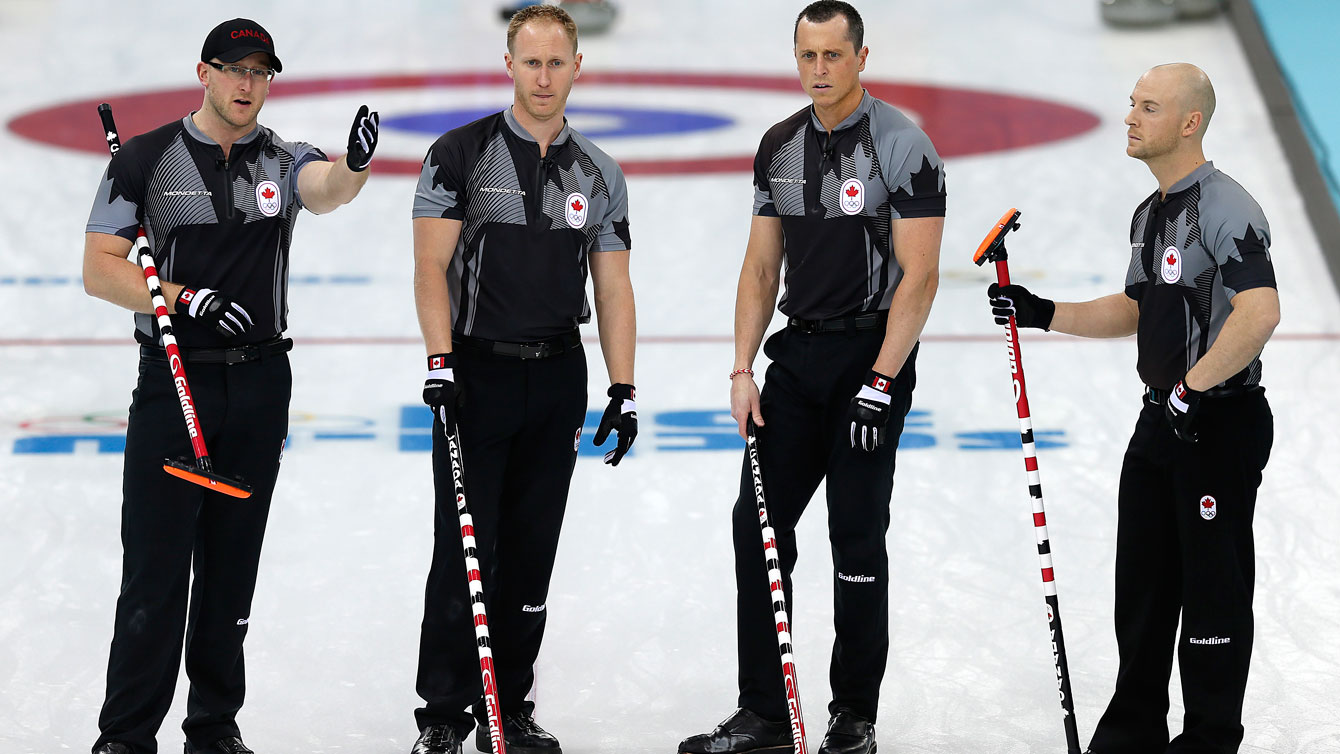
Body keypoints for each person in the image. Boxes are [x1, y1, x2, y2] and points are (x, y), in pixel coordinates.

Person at [82, 18, 378, 754]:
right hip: (173, 381)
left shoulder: (283, 158)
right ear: (204, 73)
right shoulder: (146, 161)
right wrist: (185, 298)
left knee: (230, 569)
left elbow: (327, 187)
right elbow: (101, 269)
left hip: (257, 385)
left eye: (260, 72)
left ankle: (213, 727)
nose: (248, 85)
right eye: (234, 70)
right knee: (155, 572)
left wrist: (356, 166)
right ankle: (125, 736)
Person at [986, 63, 1278, 754]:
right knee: (1143, 591)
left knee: (1212, 592)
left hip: (1219, 419)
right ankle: (1133, 734)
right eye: (1131, 104)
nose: (1130, 118)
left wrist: (1194, 387)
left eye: (1147, 107)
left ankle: (1208, 738)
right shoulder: (1152, 213)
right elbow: (1138, 309)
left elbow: (1259, 313)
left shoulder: (1227, 207)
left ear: (1189, 123)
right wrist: (1043, 311)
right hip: (1163, 420)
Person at [679, 3, 945, 753]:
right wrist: (742, 366)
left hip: (872, 357)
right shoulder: (778, 147)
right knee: (756, 525)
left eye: (834, 55)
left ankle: (853, 715)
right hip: (795, 360)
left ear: (862, 56)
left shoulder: (903, 145)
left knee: (856, 537)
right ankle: (764, 711)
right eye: (807, 56)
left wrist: (885, 379)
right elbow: (762, 267)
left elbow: (919, 278)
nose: (820, 70)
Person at [409, 5, 637, 754]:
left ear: (578, 67)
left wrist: (622, 387)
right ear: (509, 65)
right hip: (477, 374)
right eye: (530, 62)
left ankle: (508, 708)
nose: (543, 77)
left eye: (556, 63)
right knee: (468, 550)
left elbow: (612, 288)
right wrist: (441, 361)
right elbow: (430, 268)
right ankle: (443, 716)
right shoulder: (459, 154)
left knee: (533, 550)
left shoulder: (599, 172)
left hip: (556, 375)